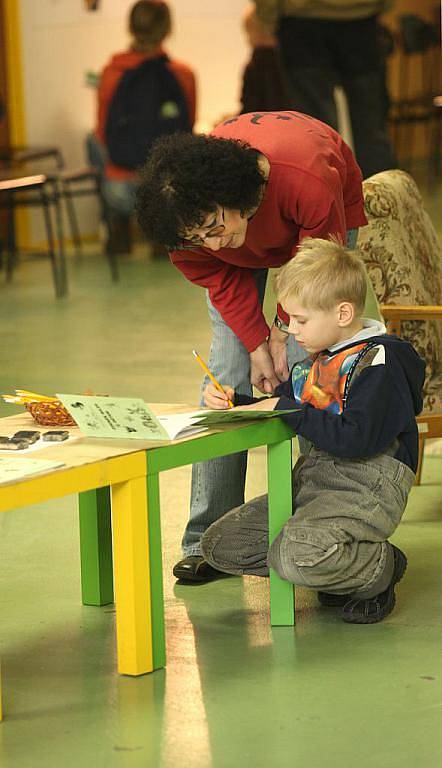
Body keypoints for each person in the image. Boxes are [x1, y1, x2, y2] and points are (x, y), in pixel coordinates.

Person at [136, 110, 380, 583]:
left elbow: (314, 277)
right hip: (263, 223)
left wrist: (283, 331)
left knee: (307, 368)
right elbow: (219, 275)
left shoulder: (305, 179)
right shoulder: (188, 229)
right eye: (197, 238)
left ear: (232, 195)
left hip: (315, 227)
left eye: (214, 225)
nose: (213, 242)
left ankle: (331, 538)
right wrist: (254, 343)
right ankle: (206, 542)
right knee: (227, 373)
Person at [201, 237, 425, 624]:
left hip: (367, 481)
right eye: (289, 320)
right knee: (221, 545)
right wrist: (236, 402)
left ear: (342, 313)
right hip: (316, 478)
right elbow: (286, 403)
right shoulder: (316, 361)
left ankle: (378, 566)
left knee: (294, 557)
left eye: (301, 321)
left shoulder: (379, 362)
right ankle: (330, 562)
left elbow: (357, 439)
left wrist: (289, 409)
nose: (293, 332)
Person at [89, 0, 196, 253]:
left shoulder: (111, 73)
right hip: (165, 190)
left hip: (120, 189)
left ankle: (118, 228)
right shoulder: (183, 74)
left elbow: (103, 131)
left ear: (130, 28)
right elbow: (187, 128)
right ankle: (163, 233)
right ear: (168, 29)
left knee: (91, 140)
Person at [254, 0, 397, 179]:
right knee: (371, 128)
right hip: (362, 17)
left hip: (302, 21)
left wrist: (266, 16)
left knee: (316, 134)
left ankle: (324, 204)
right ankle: (383, 202)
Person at [240, 3, 291, 113]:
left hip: (262, 124)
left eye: (248, 34)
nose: (247, 40)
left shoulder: (257, 64)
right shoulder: (289, 61)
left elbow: (250, 106)